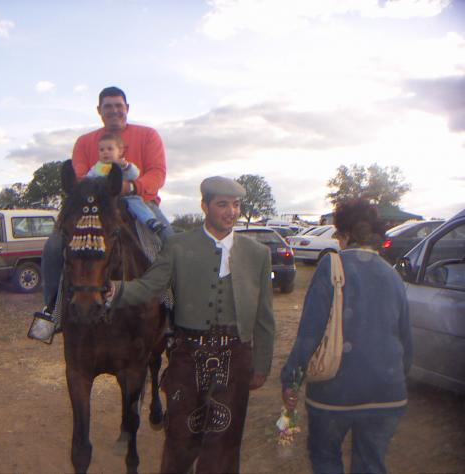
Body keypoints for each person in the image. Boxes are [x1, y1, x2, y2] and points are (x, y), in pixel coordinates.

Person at [109, 176, 275, 473]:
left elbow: (264, 315)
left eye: (236, 205)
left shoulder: (257, 253)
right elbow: (150, 285)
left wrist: (261, 364)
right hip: (188, 356)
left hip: (236, 357)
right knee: (180, 438)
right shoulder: (178, 245)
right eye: (222, 204)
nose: (231, 212)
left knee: (225, 441)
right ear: (205, 206)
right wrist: (114, 291)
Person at [281, 198, 412, 474]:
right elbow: (405, 338)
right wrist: (398, 376)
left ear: (345, 234)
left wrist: (291, 378)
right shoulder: (392, 275)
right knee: (371, 464)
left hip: (336, 391)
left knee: (325, 456)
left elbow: (310, 332)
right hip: (387, 391)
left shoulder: (332, 267)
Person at [35, 86, 172, 342]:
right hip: (95, 208)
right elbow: (79, 176)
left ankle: (176, 313)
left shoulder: (148, 135)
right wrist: (103, 189)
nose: (114, 110)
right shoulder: (85, 142)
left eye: (119, 105)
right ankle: (51, 310)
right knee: (53, 246)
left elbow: (157, 173)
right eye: (108, 106)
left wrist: (130, 186)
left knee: (171, 242)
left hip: (140, 203)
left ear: (127, 108)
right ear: (99, 110)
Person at [87, 133, 166, 234]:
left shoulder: (122, 165)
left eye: (110, 149)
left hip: (124, 196)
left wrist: (126, 167)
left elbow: (134, 175)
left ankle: (150, 220)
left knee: (135, 201)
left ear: (120, 151)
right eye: (101, 150)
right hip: (103, 198)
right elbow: (88, 180)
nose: (105, 152)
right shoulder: (96, 168)